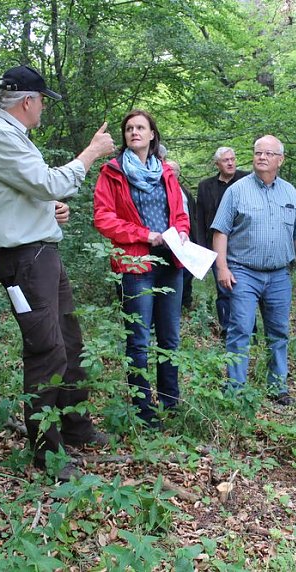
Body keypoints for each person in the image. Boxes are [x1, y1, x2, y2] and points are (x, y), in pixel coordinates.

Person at [0, 64, 115, 481]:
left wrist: (51, 211)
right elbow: (49, 182)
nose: (43, 109)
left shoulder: (13, 136)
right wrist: (90, 153)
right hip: (23, 261)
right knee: (46, 350)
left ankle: (75, 426)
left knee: (69, 339)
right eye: (43, 102)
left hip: (42, 253)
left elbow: (28, 192)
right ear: (29, 102)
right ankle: (46, 452)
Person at [93, 110, 190, 427]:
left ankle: (171, 403)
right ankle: (143, 411)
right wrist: (145, 235)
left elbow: (179, 213)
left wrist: (182, 232)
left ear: (152, 135)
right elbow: (104, 219)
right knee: (137, 339)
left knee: (170, 338)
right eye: (129, 128)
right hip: (136, 264)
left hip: (170, 263)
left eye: (141, 128)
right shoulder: (112, 173)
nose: (134, 132)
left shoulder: (166, 173)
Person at [210, 135, 296, 404]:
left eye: (268, 153)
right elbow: (220, 231)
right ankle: (235, 387)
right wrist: (222, 267)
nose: (262, 157)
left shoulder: (290, 192)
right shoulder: (237, 190)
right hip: (243, 271)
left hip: (279, 274)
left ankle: (278, 386)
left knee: (278, 331)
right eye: (258, 153)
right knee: (240, 329)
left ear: (280, 159)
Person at [196, 147, 249, 336]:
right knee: (224, 290)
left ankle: (248, 329)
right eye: (226, 160)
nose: (230, 163)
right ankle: (227, 330)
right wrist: (202, 249)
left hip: (243, 246)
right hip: (215, 246)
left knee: (244, 290)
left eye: (233, 159)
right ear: (217, 164)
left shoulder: (247, 179)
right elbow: (200, 218)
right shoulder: (205, 186)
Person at [167, 160, 197, 310]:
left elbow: (192, 214)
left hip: (186, 236)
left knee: (187, 271)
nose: (172, 172)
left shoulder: (185, 192)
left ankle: (185, 303)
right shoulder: (160, 188)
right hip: (168, 237)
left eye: (175, 171)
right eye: (169, 169)